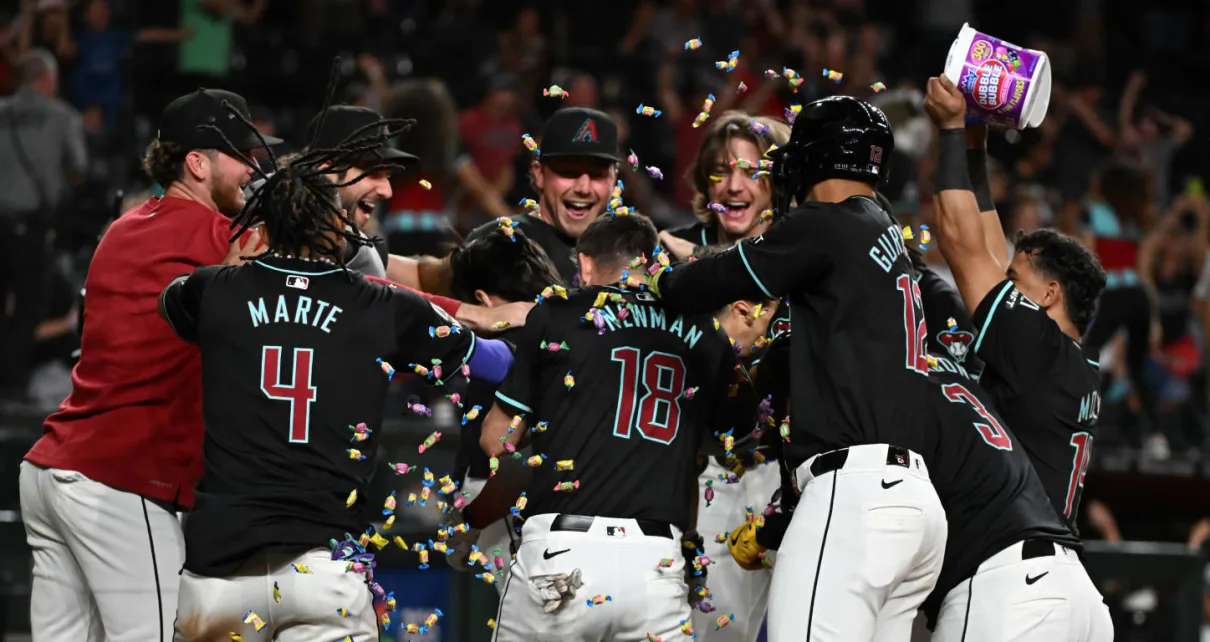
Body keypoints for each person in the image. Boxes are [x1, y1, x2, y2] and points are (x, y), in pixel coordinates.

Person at [160, 140, 516, 640]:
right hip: (324, 566)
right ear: (337, 226)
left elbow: (170, 303)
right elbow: (494, 362)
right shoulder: (383, 304)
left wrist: (233, 267)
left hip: (220, 570)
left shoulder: (213, 289)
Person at [650, 95, 948, 641]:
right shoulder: (884, 229)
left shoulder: (825, 222)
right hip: (915, 502)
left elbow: (698, 284)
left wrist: (658, 280)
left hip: (851, 491)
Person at [19, 87, 277, 642]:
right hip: (121, 479)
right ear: (198, 162)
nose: (253, 168)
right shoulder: (213, 234)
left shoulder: (126, 225)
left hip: (52, 472)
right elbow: (348, 291)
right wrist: (464, 312)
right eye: (241, 154)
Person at [477, 214, 756, 641]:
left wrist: (472, 517)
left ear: (585, 264)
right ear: (655, 266)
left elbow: (498, 438)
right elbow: (719, 444)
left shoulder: (558, 313)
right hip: (655, 563)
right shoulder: (705, 333)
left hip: (562, 554)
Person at [924, 75, 1107, 538]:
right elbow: (986, 248)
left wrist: (947, 131)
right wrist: (973, 147)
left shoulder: (1038, 348)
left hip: (1019, 565)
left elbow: (961, 246)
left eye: (1014, 280)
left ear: (1049, 295)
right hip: (1051, 561)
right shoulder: (1064, 359)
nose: (1002, 282)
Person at [255, 102, 532, 332]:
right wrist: (474, 315)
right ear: (325, 169)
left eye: (388, 176)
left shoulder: (349, 239)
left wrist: (481, 266)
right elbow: (386, 291)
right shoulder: (265, 216)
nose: (387, 190)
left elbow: (410, 275)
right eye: (373, 173)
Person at [444, 223, 565, 592]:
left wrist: (468, 522)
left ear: (481, 299)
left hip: (505, 504)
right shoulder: (568, 335)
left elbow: (516, 462)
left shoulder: (508, 352)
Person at [684, 244, 781, 642]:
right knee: (712, 627)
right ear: (743, 308)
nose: (770, 328)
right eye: (770, 314)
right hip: (709, 488)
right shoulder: (700, 352)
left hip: (759, 480)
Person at [0, 48, 87, 397]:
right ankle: (12, 385)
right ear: (48, 79)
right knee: (28, 306)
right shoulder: (62, 116)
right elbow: (79, 168)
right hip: (29, 226)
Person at [464, 106, 623, 284]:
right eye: (568, 172)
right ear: (539, 175)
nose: (583, 188)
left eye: (596, 175)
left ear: (614, 179)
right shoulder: (496, 244)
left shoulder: (628, 250)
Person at [661, 111, 790, 255]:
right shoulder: (669, 249)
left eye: (751, 173)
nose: (734, 187)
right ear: (706, 181)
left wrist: (695, 253)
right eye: (721, 172)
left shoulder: (799, 249)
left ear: (778, 182)